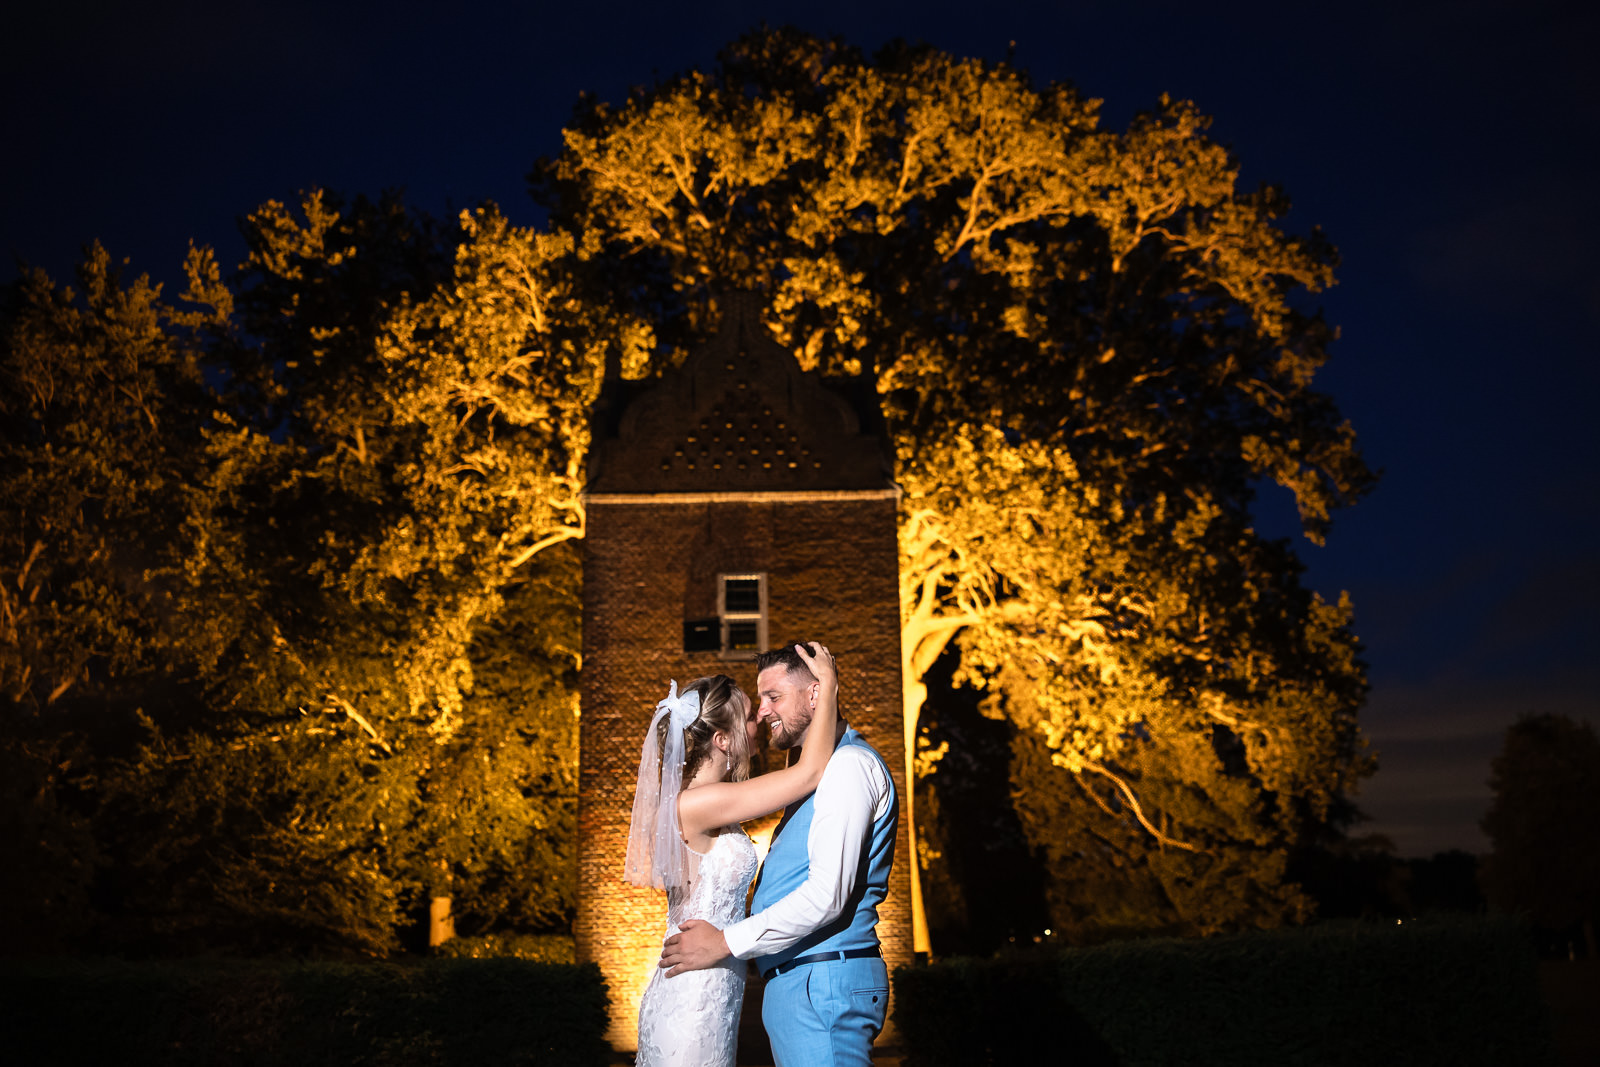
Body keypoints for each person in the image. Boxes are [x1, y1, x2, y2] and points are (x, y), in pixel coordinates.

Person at [660, 642, 898, 1067]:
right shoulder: (712, 799)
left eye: (773, 698)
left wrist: (725, 943)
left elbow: (827, 894)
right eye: (755, 705)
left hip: (818, 982)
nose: (762, 713)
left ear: (813, 695)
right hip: (741, 984)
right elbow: (806, 773)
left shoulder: (845, 768)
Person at [626, 643, 840, 1067]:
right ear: (723, 739)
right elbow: (810, 773)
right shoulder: (698, 803)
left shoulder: (714, 803)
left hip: (713, 992)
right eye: (748, 714)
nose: (759, 716)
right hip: (692, 999)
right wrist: (826, 686)